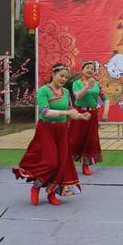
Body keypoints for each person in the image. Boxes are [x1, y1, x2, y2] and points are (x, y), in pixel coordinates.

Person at [13, 63, 90, 206]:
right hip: (46, 130)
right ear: (53, 74)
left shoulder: (66, 92)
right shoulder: (43, 91)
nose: (63, 79)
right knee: (50, 162)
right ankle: (36, 187)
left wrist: (80, 116)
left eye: (66, 77)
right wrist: (66, 113)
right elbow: (45, 112)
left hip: (62, 130)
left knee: (61, 163)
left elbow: (70, 110)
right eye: (61, 76)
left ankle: (51, 193)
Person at [68, 61, 110, 176]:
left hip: (92, 114)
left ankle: (85, 165)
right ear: (82, 70)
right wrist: (87, 87)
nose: (90, 70)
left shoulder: (97, 84)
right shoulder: (77, 83)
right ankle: (67, 163)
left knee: (90, 140)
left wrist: (105, 112)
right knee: (74, 139)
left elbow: (105, 99)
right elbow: (78, 96)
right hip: (79, 113)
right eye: (87, 67)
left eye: (92, 68)